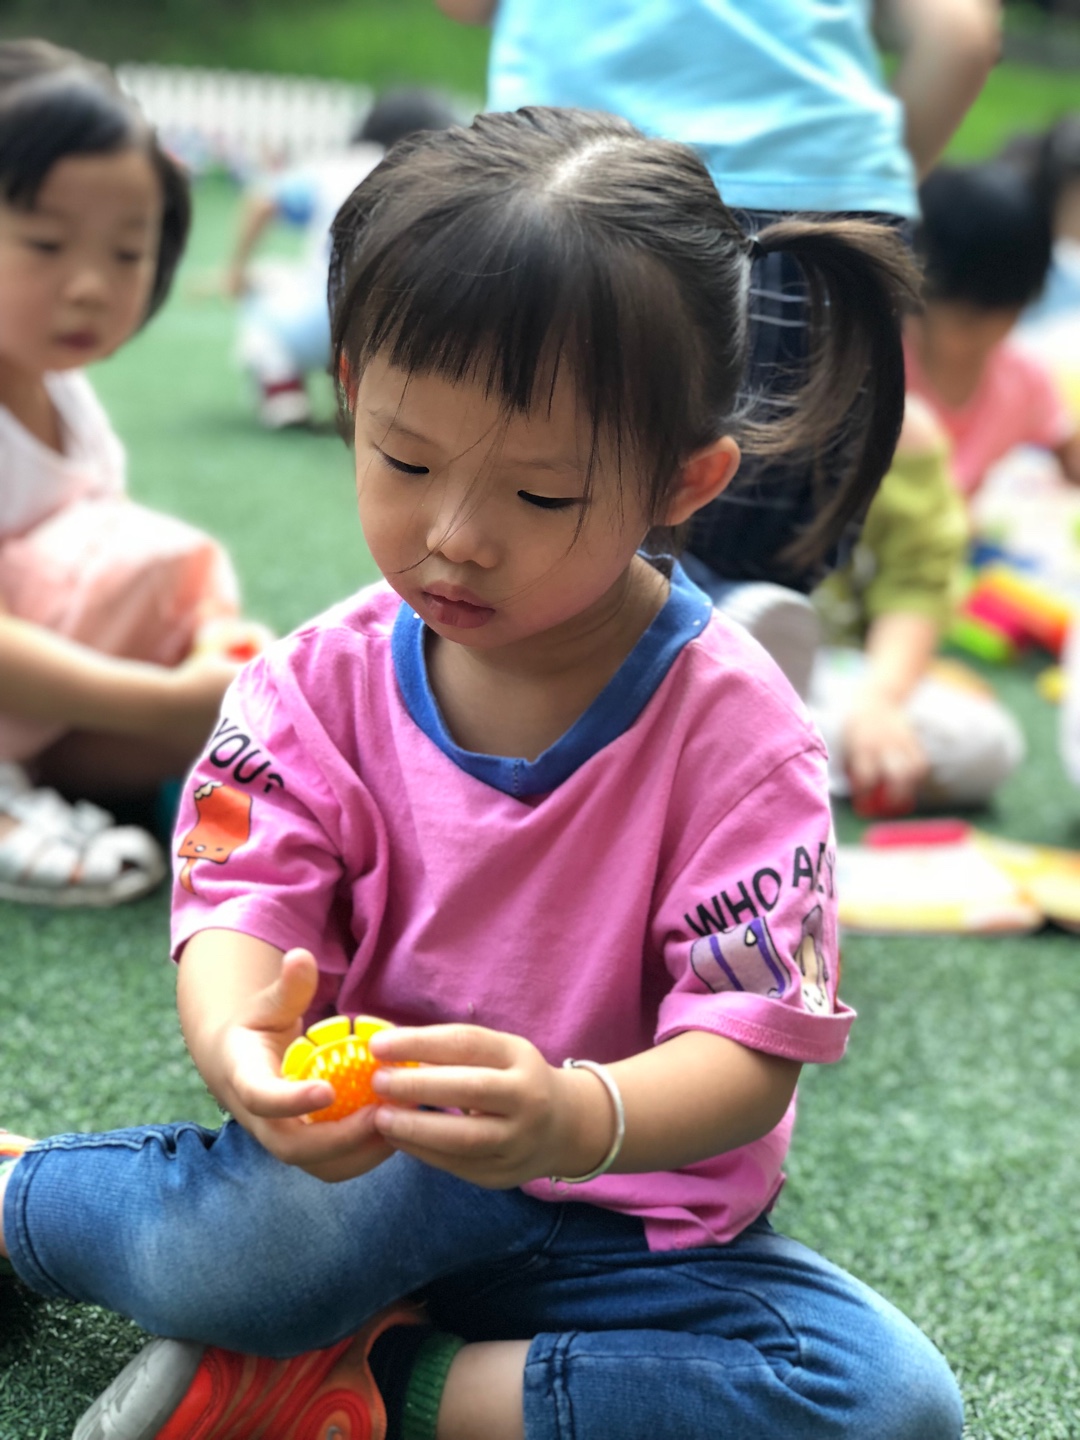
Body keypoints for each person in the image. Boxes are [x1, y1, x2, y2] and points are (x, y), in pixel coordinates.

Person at [0, 108, 963, 1440]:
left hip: (628, 1223)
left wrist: (574, 1115)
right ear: (352, 390)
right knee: (250, 1259)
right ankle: (23, 1204)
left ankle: (372, 1388)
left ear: (684, 482)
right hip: (372, 1172)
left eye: (541, 496)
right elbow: (241, 905)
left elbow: (747, 1050)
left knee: (886, 1400)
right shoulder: (314, 685)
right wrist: (240, 1050)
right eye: (405, 460)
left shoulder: (742, 736)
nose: (455, 537)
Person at [435, 0, 1001, 696]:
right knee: (754, 558)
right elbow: (962, 38)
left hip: (585, 191)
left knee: (540, 505)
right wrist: (865, 178)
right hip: (831, 218)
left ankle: (654, 654)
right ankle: (733, 632)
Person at [0, 39, 260, 906]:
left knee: (247, 699)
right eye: (46, 243)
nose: (90, 286)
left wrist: (210, 650)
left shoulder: (64, 396)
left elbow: (111, 559)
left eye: (125, 252)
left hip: (40, 716)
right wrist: (156, 702)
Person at [810, 395, 1024, 815]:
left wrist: (880, 701)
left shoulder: (906, 433)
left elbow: (916, 587)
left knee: (988, 745)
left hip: (839, 674)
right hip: (731, 666)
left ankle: (787, 759)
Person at [228, 87, 456, 429]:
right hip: (398, 328)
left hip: (318, 321)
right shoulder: (433, 174)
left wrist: (236, 272)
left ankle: (282, 390)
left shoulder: (340, 166)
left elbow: (262, 201)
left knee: (261, 283)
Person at [904, 160, 1080, 499]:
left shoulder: (1021, 378)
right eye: (968, 321)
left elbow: (1067, 450)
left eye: (1009, 317)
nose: (986, 338)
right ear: (917, 294)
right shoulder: (882, 373)